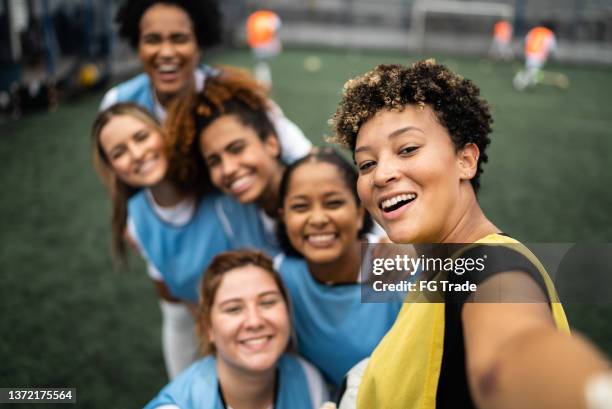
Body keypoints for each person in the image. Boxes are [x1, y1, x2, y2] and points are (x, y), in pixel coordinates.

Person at [330, 60, 611, 409]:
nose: (381, 174)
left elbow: (515, 350)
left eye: (407, 149)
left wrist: (590, 393)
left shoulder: (487, 264)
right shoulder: (437, 271)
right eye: (366, 163)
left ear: (466, 160)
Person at [92, 102, 245, 379]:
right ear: (112, 167)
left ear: (163, 133)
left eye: (141, 137)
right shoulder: (136, 221)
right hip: (212, 332)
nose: (137, 154)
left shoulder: (221, 186)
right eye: (119, 152)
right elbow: (171, 293)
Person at [100, 0, 310, 164]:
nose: (166, 53)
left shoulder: (233, 91)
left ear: (199, 44)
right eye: (152, 40)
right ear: (138, 46)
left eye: (179, 39)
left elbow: (300, 152)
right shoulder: (119, 104)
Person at [274, 148, 401, 387]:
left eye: (333, 203)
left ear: (360, 212)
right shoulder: (282, 276)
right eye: (301, 207)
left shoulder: (398, 265)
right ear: (283, 217)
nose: (318, 219)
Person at [145, 249, 329, 409]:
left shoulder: (307, 380)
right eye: (234, 309)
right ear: (208, 327)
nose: (254, 321)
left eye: (267, 302)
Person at [513, 23, 558, 90]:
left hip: (529, 52)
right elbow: (552, 47)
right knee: (533, 71)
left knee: (531, 69)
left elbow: (526, 40)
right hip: (539, 55)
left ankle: (529, 82)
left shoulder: (534, 30)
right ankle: (521, 82)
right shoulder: (549, 33)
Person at [246, 10, 282, 89]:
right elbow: (276, 31)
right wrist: (277, 43)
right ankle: (264, 82)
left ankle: (262, 82)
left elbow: (249, 32)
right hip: (267, 44)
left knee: (261, 64)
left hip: (257, 45)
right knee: (263, 64)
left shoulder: (253, 16)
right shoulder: (271, 16)